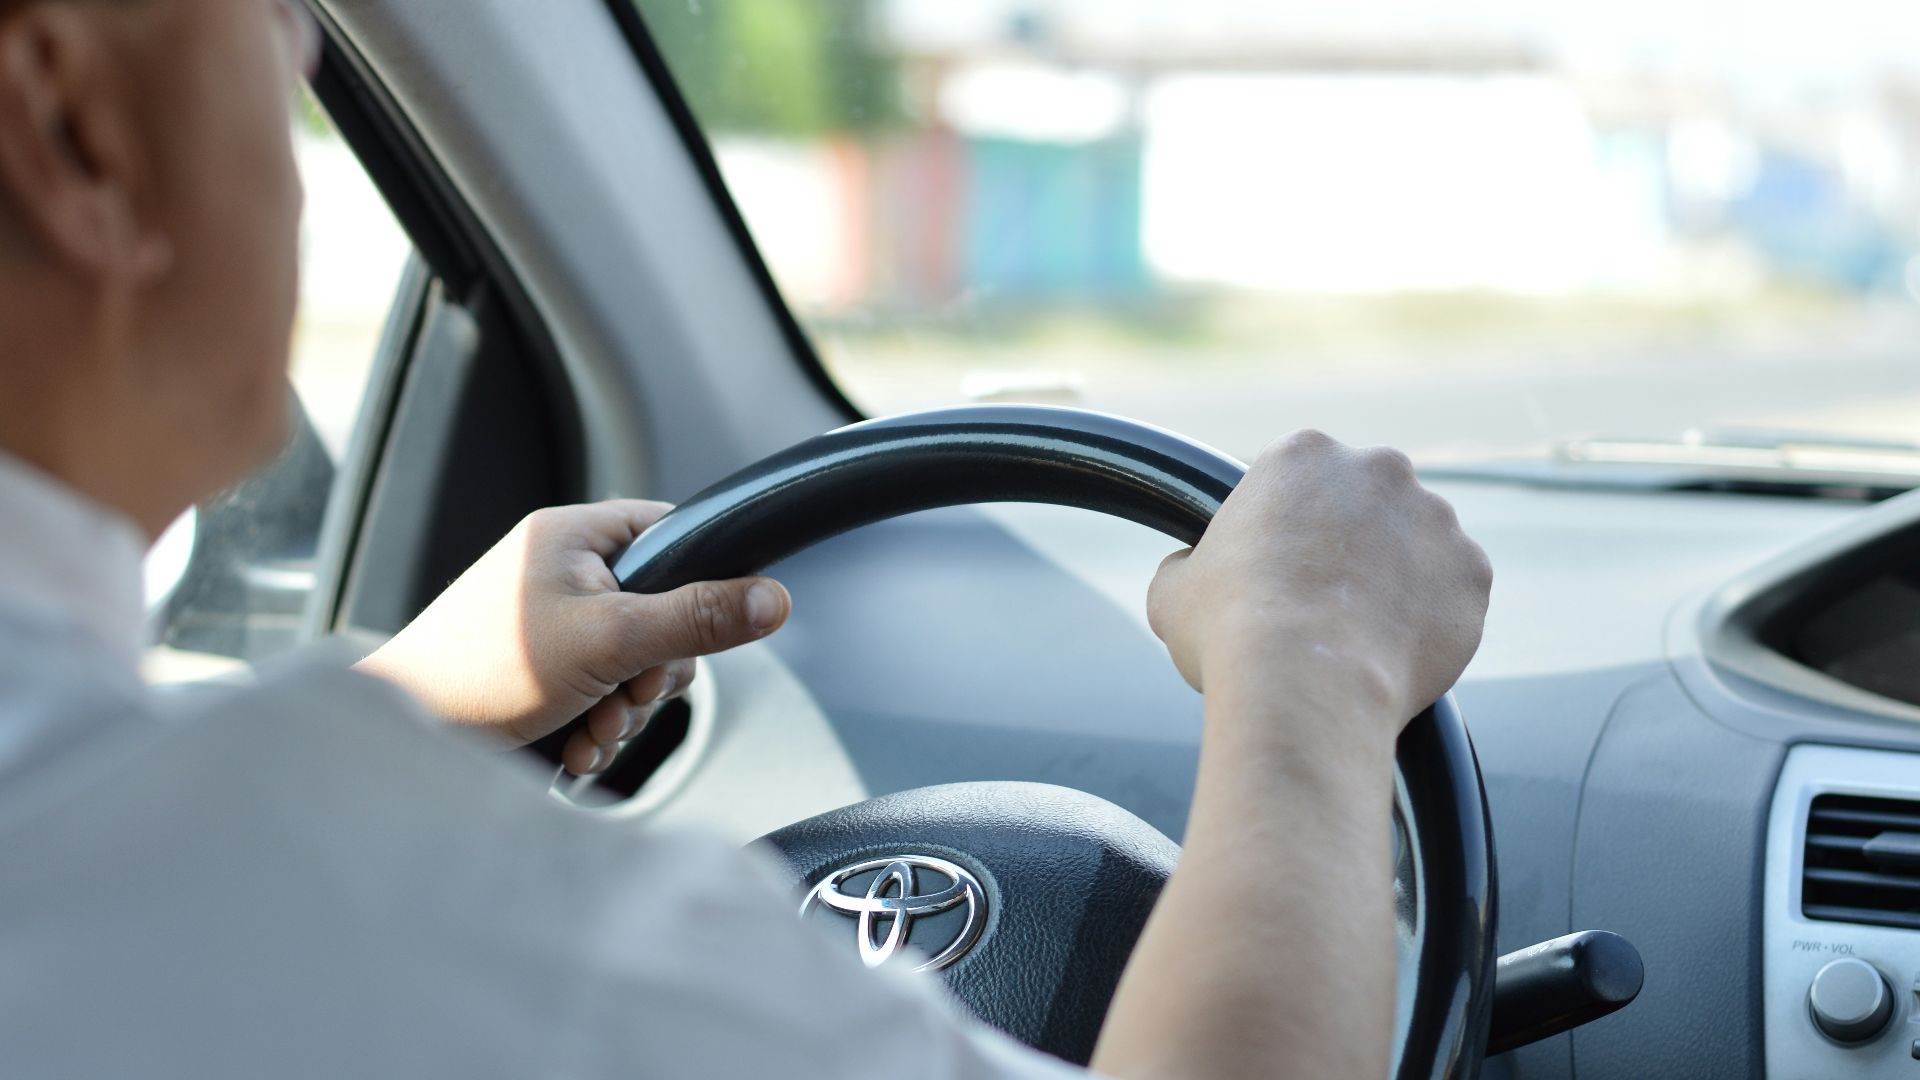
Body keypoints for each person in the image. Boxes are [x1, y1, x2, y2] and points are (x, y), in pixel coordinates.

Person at [0, 0, 1493, 1077]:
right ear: (66, 122)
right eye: (261, 8)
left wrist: (399, 712)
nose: (309, 48)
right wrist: (1314, 672)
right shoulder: (370, 888)